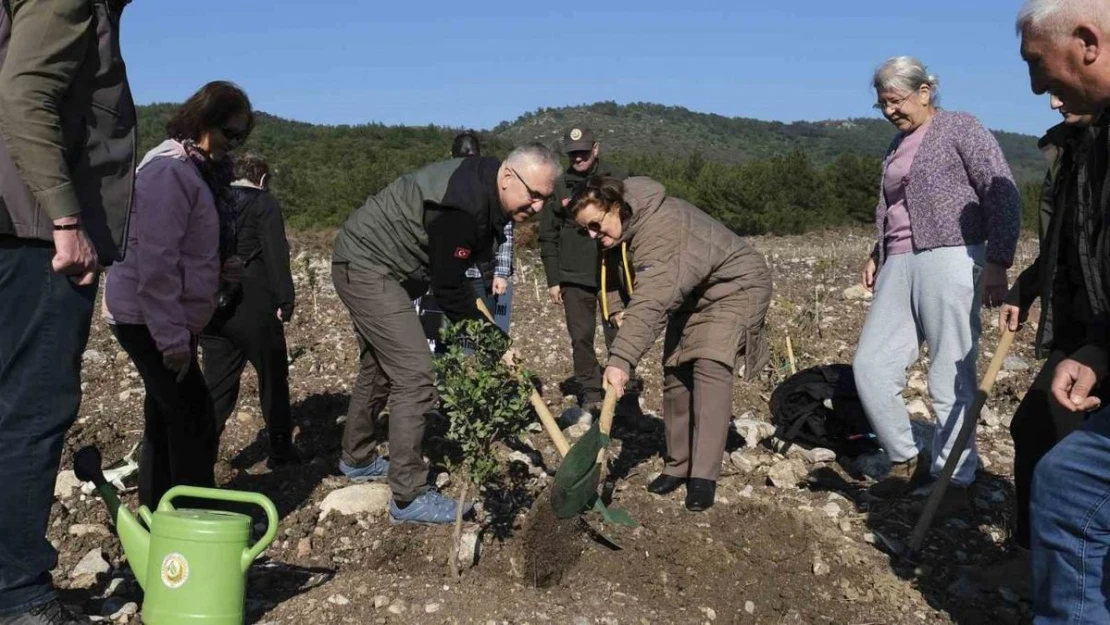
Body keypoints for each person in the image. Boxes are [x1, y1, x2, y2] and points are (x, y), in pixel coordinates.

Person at [332, 144, 560, 524]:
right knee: (415, 374)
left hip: (388, 264)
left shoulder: (491, 190)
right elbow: (450, 287)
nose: (537, 207)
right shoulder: (462, 207)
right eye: (533, 195)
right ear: (507, 177)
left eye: (545, 199)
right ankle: (408, 496)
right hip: (369, 264)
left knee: (380, 365)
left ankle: (356, 458)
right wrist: (493, 341)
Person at [0, 1, 136, 621]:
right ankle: (17, 592)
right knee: (30, 410)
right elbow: (26, 91)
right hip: (34, 237)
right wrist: (65, 218)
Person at [852, 57, 1020, 515]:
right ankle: (906, 459)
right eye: (882, 103)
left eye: (896, 100)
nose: (889, 111)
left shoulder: (960, 128)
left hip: (952, 252)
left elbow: (1001, 190)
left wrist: (999, 261)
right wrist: (877, 251)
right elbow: (895, 205)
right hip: (899, 259)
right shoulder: (896, 143)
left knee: (949, 371)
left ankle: (957, 479)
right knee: (870, 365)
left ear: (925, 91)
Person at [572, 176, 772, 512]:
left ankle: (704, 477)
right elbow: (609, 269)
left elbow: (652, 301)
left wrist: (620, 360)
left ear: (616, 208)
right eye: (585, 230)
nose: (593, 235)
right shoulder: (618, 227)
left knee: (709, 365)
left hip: (735, 288)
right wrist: (619, 309)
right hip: (691, 293)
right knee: (676, 373)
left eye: (595, 225)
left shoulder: (660, 227)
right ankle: (678, 465)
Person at [104, 82, 254, 511]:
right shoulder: (170, 172)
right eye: (231, 132)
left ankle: (160, 516)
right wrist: (171, 339)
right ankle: (190, 519)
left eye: (242, 136)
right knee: (194, 422)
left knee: (165, 419)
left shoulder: (194, 169)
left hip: (164, 317)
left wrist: (219, 266)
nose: (235, 145)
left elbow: (185, 246)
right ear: (204, 121)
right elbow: (156, 261)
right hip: (148, 318)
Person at [969, 96, 1098, 595]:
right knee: (1036, 429)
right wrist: (1028, 287)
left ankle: (1070, 576)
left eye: (1059, 80)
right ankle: (1031, 560)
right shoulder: (1072, 150)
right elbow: (1069, 243)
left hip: (1100, 330)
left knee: (1072, 454)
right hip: (1084, 327)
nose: (1053, 98)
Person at [1016, 1, 1110, 621]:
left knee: (1072, 479)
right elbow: (1068, 240)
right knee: (1058, 463)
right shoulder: (1084, 146)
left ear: (1086, 42)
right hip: (1088, 327)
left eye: (1037, 64)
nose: (1036, 88)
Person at [201, 152, 299, 467]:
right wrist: (285, 299)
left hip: (215, 306)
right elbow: (275, 253)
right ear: (262, 178)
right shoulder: (263, 204)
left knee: (217, 386)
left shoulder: (214, 202)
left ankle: (200, 454)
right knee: (273, 377)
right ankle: (281, 449)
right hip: (254, 302)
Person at [538, 127, 630, 410]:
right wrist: (554, 279)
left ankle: (626, 399)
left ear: (596, 149)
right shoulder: (559, 185)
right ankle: (590, 394)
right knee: (581, 338)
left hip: (611, 276)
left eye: (584, 151)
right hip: (574, 277)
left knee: (621, 335)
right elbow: (548, 235)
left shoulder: (614, 180)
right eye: (573, 153)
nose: (578, 158)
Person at [452, 132, 514, 332]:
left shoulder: (493, 188)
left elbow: (506, 232)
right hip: (452, 275)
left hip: (482, 274)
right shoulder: (443, 187)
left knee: (487, 333)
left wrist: (502, 273)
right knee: (453, 336)